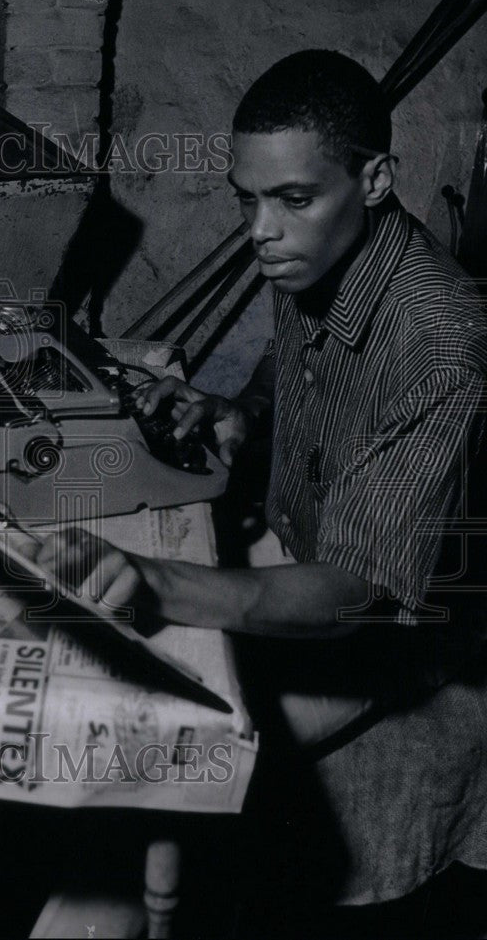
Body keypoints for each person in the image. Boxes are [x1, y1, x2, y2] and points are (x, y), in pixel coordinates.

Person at [41, 49, 487, 919]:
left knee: (140, 762)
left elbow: (357, 591)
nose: (260, 230)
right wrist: (239, 412)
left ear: (376, 178)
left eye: (291, 198)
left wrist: (164, 583)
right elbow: (291, 363)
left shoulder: (444, 349)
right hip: (301, 550)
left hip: (396, 634)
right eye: (247, 198)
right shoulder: (315, 249)